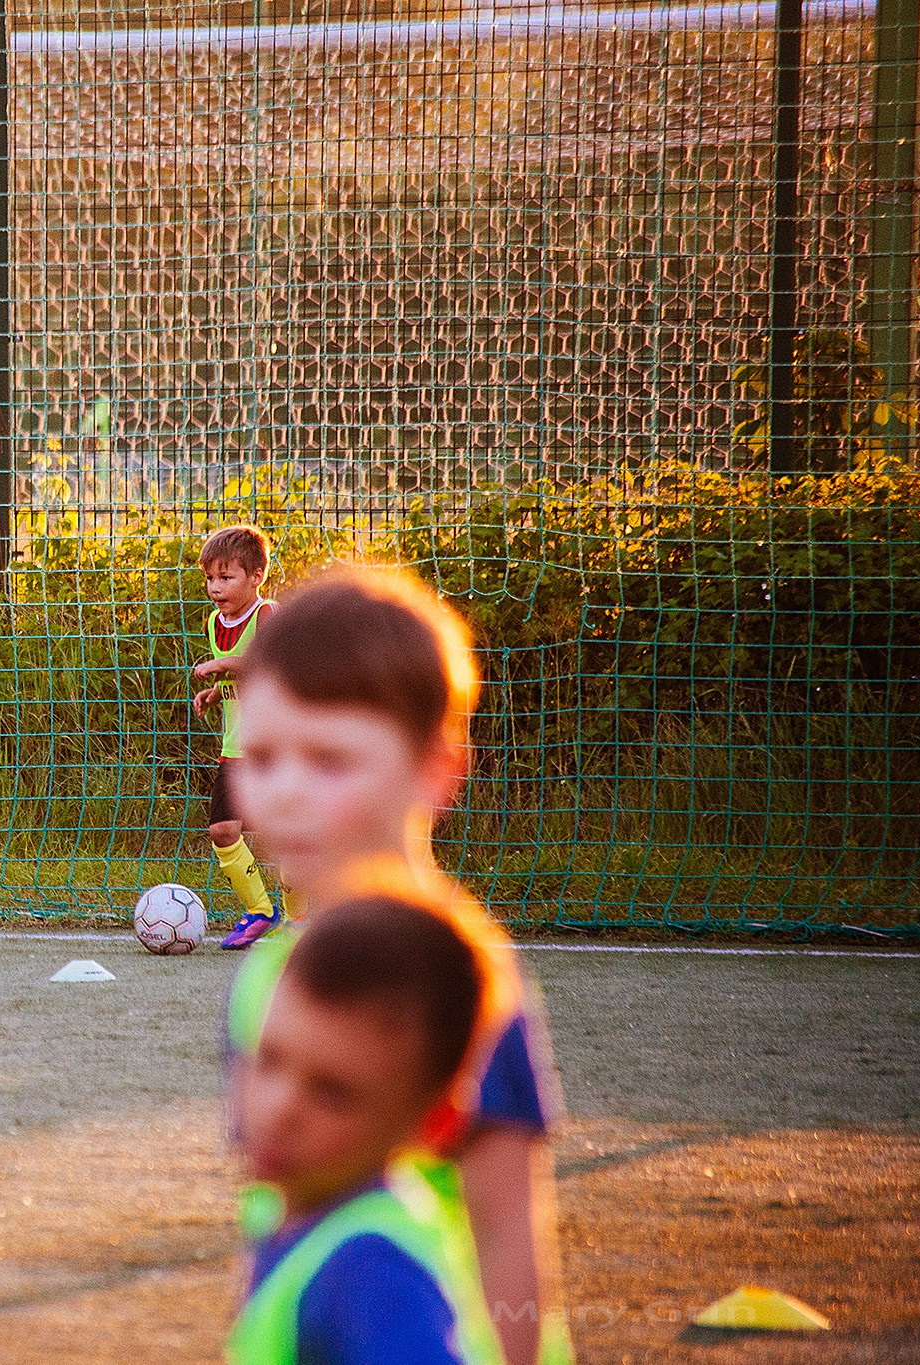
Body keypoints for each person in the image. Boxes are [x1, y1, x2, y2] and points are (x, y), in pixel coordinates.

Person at [225, 567, 573, 1365]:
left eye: (329, 760)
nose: (284, 794)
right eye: (263, 756)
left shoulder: (455, 972)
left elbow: (508, 1233)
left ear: (435, 769)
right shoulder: (272, 969)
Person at [229, 892, 507, 1365]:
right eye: (270, 1061)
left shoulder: (372, 1276)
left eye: (333, 1093)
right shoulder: (287, 1209)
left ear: (435, 1124)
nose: (280, 1110)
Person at [188, 524, 282, 950]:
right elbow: (236, 676)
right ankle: (261, 911)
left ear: (256, 576)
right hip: (236, 748)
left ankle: (301, 920)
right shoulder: (214, 621)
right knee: (224, 829)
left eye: (226, 578)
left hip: (278, 747)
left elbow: (265, 664)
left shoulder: (269, 616)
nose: (215, 587)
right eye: (210, 578)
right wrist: (215, 690)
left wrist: (220, 664)